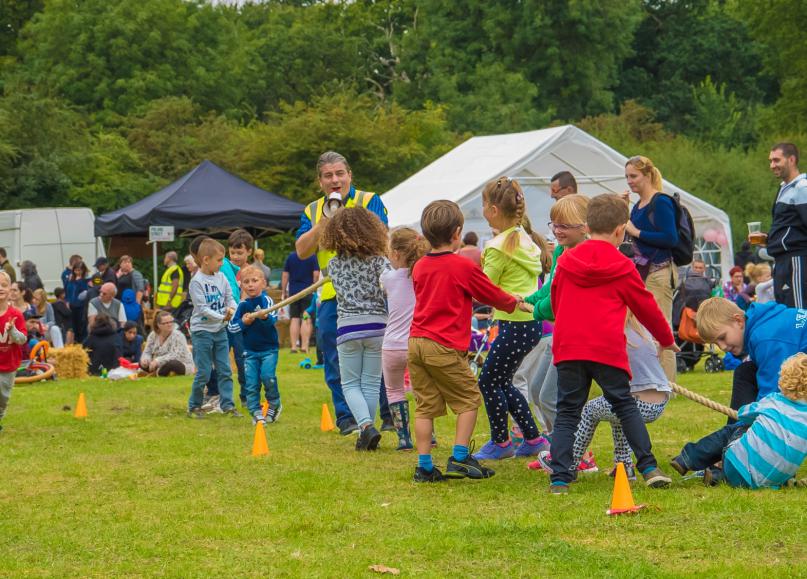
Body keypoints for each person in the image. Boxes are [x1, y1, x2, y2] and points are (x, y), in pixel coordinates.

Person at [548, 194, 678, 494]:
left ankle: (559, 478)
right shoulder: (623, 266)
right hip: (606, 349)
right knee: (624, 405)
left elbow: (556, 301)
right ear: (621, 230)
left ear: (588, 224)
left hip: (569, 347)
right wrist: (667, 340)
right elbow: (646, 307)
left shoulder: (566, 261)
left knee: (568, 411)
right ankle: (648, 466)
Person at [408, 200, 527, 482]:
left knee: (425, 406)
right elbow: (490, 294)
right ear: (457, 232)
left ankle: (424, 466)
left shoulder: (420, 266)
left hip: (416, 342)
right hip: (443, 344)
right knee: (469, 399)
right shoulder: (461, 266)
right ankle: (460, 458)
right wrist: (515, 302)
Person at [295, 151, 389, 435]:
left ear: (350, 176)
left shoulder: (368, 200)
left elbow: (384, 239)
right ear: (320, 181)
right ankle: (348, 418)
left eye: (339, 174)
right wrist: (322, 225)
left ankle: (388, 414)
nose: (335, 180)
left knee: (379, 356)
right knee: (332, 356)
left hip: (371, 294)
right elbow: (302, 251)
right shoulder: (312, 210)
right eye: (328, 175)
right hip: (331, 296)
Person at [535, 313, 672, 481]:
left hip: (639, 403)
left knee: (591, 410)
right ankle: (624, 466)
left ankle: (571, 463)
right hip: (659, 402)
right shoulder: (643, 330)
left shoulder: (613, 334)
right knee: (619, 411)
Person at [473, 177, 552, 461]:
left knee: (488, 381)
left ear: (493, 210)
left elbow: (484, 286)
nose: (482, 209)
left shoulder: (498, 246)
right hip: (527, 324)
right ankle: (532, 438)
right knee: (501, 380)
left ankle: (501, 442)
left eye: (483, 204)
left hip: (515, 323)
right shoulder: (523, 239)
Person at [520, 195, 591, 464]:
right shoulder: (561, 251)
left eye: (564, 226)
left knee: (551, 397)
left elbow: (559, 300)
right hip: (561, 334)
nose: (556, 231)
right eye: (554, 224)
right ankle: (558, 451)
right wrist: (527, 300)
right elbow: (551, 289)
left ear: (584, 226)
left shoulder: (583, 256)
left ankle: (577, 454)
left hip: (576, 339)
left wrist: (535, 310)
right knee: (538, 391)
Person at [670, 352, 807, 489]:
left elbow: (743, 414)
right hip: (770, 483)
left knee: (735, 429)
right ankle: (716, 476)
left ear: (784, 380)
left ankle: (688, 458)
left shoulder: (774, 401)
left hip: (736, 467)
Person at [320, 207, 389, 451]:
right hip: (378, 327)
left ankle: (366, 426)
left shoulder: (333, 265)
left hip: (348, 328)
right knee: (371, 383)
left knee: (350, 384)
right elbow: (391, 285)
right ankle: (366, 434)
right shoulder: (381, 261)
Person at [695, 297, 807, 415]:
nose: (722, 347)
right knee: (746, 370)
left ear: (738, 321)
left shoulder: (764, 338)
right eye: (716, 343)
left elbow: (772, 395)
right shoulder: (764, 322)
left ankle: (738, 430)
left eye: (722, 337)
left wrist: (756, 423)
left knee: (745, 372)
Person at [623, 155, 679, 382]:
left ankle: (668, 383)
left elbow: (670, 238)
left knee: (661, 327)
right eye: (626, 176)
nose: (629, 181)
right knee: (642, 327)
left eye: (633, 176)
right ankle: (650, 379)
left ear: (647, 175)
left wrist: (636, 232)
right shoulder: (637, 206)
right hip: (642, 274)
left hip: (659, 272)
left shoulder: (661, 202)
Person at [381, 227, 429, 451]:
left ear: (396, 253)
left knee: (394, 390)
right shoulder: (423, 276)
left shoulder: (388, 278)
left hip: (392, 345)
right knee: (422, 391)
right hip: (416, 343)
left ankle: (404, 438)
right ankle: (429, 434)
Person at [187, 238, 240, 418]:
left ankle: (228, 405)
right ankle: (194, 406)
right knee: (204, 371)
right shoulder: (196, 281)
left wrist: (233, 309)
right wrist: (222, 316)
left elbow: (229, 297)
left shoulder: (222, 277)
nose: (222, 264)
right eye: (219, 260)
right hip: (202, 331)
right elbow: (202, 309)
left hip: (220, 330)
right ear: (206, 260)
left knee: (225, 369)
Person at [758, 143, 807, 307]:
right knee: (786, 310)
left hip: (797, 260)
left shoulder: (802, 187)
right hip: (781, 262)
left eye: (776, 160)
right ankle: (795, 334)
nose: (772, 165)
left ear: (791, 160)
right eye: (770, 161)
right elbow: (790, 226)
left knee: (799, 313)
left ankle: (801, 334)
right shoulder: (784, 188)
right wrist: (769, 239)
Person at [234, 265, 281, 425]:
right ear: (242, 285)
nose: (250, 285)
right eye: (246, 282)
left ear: (263, 283)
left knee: (267, 377)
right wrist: (244, 322)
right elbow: (232, 327)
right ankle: (256, 412)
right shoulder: (242, 306)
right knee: (251, 383)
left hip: (269, 350)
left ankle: (274, 404)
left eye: (254, 281)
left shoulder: (267, 301)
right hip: (250, 352)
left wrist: (264, 317)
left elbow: (274, 319)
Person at [221, 228, 253, 405]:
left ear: (249, 251)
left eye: (239, 252)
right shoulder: (224, 268)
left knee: (243, 359)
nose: (235, 256)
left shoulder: (251, 273)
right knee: (220, 359)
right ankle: (217, 394)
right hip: (225, 321)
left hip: (242, 324)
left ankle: (246, 396)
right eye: (232, 252)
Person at [0, 271, 27, 433]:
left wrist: (12, 330)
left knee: (3, 398)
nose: (1, 288)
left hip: (8, 364)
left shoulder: (16, 314)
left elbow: (22, 339)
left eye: (4, 285)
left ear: (10, 289)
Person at [282, 250, 320, 354]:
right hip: (307, 291)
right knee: (306, 317)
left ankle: (294, 346)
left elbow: (285, 275)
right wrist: (315, 288)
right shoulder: (312, 256)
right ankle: (304, 346)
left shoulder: (291, 256)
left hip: (293, 292)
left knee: (294, 318)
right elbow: (316, 274)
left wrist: (284, 290)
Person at [140, 310, 194, 377]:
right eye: (166, 323)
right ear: (158, 325)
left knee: (172, 364)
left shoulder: (178, 336)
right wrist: (145, 359)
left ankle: (156, 374)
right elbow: (147, 351)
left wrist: (157, 361)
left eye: (171, 322)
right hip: (158, 364)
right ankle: (153, 372)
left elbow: (175, 355)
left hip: (181, 363)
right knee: (142, 363)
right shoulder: (153, 335)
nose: (169, 324)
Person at [66, 261, 89, 343]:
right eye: (76, 270)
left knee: (81, 325)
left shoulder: (86, 280)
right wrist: (67, 301)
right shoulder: (71, 279)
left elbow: (85, 292)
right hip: (72, 305)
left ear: (83, 270)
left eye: (79, 270)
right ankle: (76, 340)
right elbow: (68, 290)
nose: (78, 272)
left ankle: (82, 341)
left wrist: (79, 280)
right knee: (74, 325)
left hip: (81, 306)